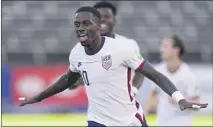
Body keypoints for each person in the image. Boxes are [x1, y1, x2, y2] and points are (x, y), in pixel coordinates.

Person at [19, 6, 208, 127]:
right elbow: (67, 79)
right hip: (98, 120)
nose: (80, 28)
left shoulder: (121, 49)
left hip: (129, 118)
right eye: (77, 24)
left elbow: (155, 75)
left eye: (86, 23)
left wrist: (180, 98)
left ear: (98, 25)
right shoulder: (76, 53)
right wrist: (38, 97)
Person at [69, 1, 144, 96]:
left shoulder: (128, 44)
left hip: (125, 105)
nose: (102, 20)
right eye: (99, 17)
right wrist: (78, 80)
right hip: (98, 108)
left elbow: (141, 71)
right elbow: (72, 82)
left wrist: (133, 90)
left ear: (114, 20)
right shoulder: (81, 48)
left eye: (107, 16)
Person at [143, 35, 201, 126]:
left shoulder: (188, 75)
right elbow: (153, 94)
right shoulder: (158, 70)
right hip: (162, 123)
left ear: (176, 50)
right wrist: (143, 115)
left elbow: (197, 105)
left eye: (165, 46)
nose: (161, 50)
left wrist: (181, 102)